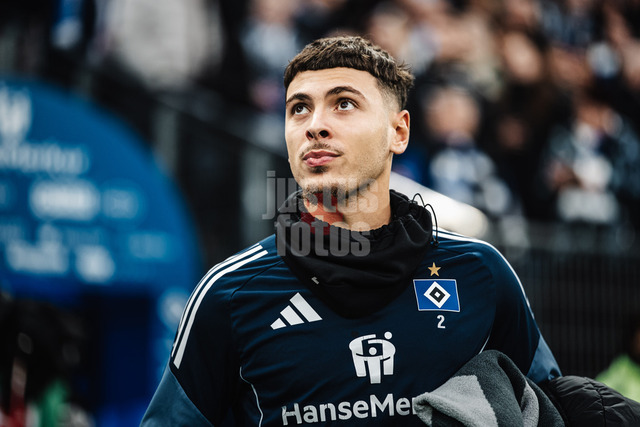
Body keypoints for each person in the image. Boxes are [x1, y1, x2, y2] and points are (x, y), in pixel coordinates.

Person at [141, 35, 561, 426]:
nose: (314, 125)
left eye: (343, 104)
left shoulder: (480, 272)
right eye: (298, 108)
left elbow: (549, 407)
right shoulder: (229, 294)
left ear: (398, 132)